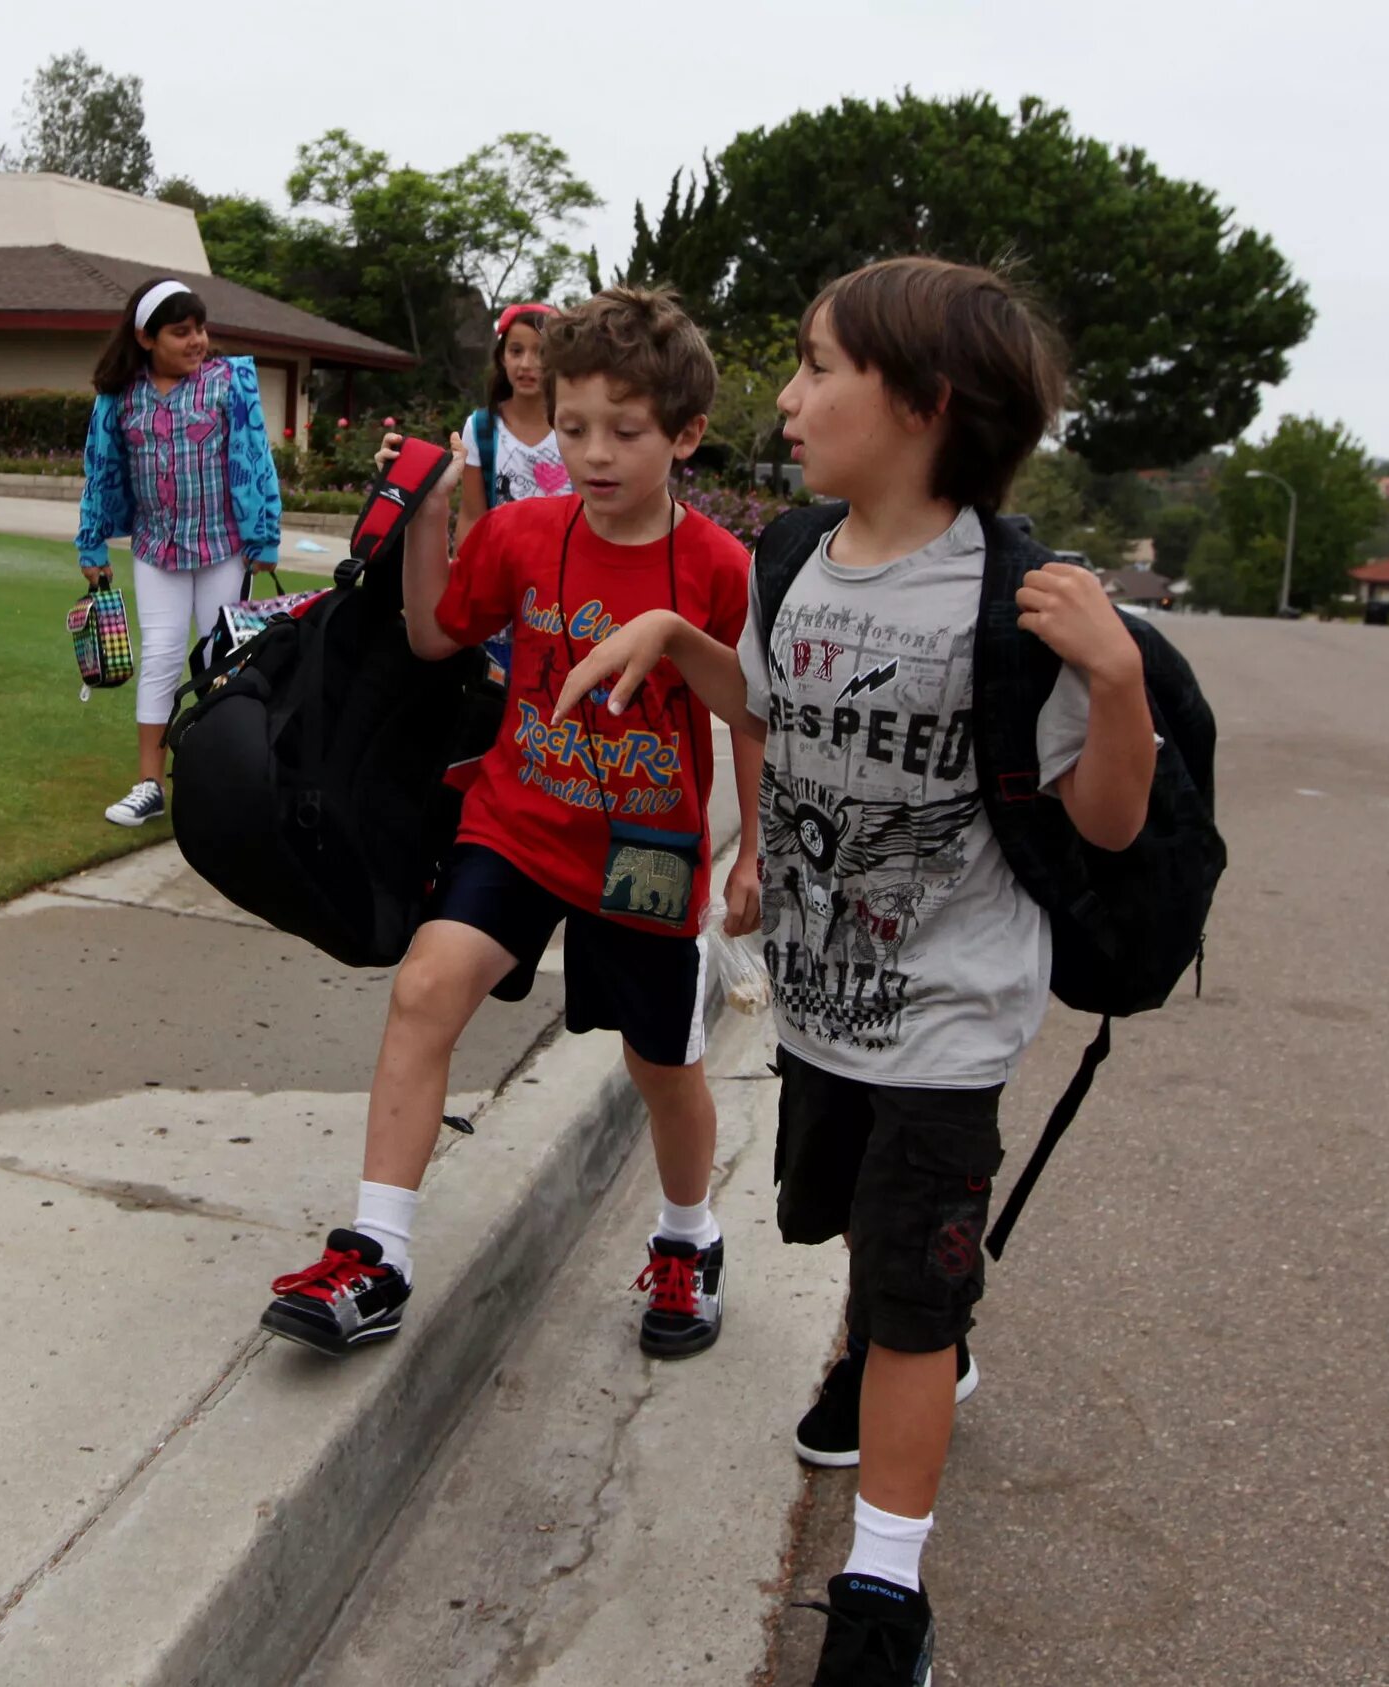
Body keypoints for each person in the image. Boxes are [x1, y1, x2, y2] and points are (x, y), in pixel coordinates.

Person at [550, 257, 1156, 1686]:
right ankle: (905, 1331)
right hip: (825, 1007)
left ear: (925, 404)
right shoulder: (797, 556)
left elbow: (1110, 820)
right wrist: (673, 637)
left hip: (952, 1018)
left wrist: (1118, 682)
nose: (789, 393)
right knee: (838, 1231)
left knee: (909, 1293)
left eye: (819, 365)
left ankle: (886, 1593)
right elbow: (771, 701)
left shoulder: (1015, 595)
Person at [259, 286, 765, 1364]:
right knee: (427, 986)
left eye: (624, 432)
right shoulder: (527, 533)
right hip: (518, 820)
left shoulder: (720, 568)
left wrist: (751, 849)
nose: (593, 453)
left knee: (659, 1064)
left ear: (684, 433)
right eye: (574, 427)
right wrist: (434, 510)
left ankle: (689, 1238)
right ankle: (378, 1256)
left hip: (645, 856)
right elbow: (443, 636)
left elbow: (752, 712)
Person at [75, 277, 284, 827]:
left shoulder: (228, 382)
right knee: (163, 656)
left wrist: (265, 535)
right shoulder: (118, 397)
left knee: (223, 663)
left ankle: (222, 781)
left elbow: (257, 458)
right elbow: (99, 471)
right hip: (155, 550)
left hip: (224, 548)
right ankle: (149, 784)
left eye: (200, 329)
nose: (196, 341)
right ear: (146, 338)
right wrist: (91, 540)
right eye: (181, 332)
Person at [455, 300, 572, 685]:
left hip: (566, 602)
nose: (527, 364)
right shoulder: (483, 428)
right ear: (501, 357)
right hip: (500, 604)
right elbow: (472, 514)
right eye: (516, 351)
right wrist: (465, 585)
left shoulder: (575, 426)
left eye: (540, 353)